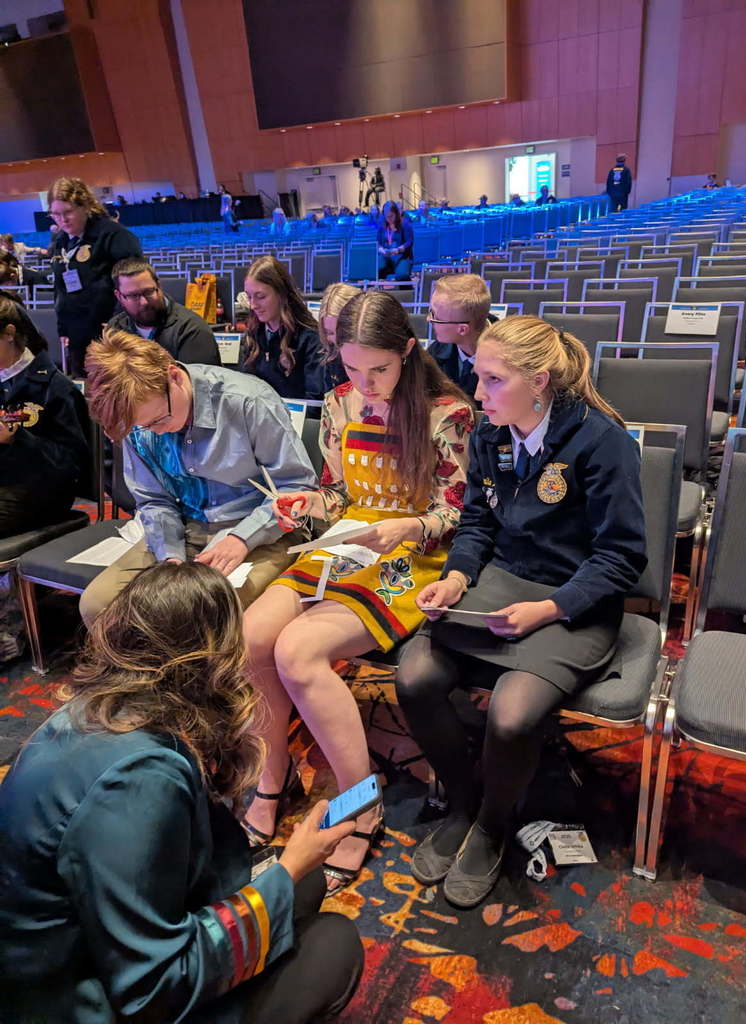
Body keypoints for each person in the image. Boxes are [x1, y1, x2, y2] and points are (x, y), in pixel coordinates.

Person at [0, 562, 363, 1022]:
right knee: (331, 944)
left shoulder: (100, 708)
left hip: (68, 950)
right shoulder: (141, 778)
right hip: (77, 998)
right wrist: (287, 870)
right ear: (213, 659)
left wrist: (290, 875)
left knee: (302, 882)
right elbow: (153, 988)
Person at [395, 315, 647, 908]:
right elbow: (479, 523)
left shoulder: (602, 442)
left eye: (492, 380)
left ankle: (491, 823)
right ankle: (461, 802)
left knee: (511, 715)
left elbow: (621, 559)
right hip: (502, 584)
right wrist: (458, 576)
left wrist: (550, 608)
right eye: (478, 378)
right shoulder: (491, 433)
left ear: (538, 382)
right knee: (415, 675)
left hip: (575, 599)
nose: (477, 394)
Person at [240, 290, 474, 893]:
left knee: (298, 650)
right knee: (252, 635)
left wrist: (412, 526)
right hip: (350, 540)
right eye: (351, 368)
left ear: (408, 352)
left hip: (413, 556)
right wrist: (309, 505)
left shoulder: (446, 413)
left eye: (380, 370)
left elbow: (461, 511)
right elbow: (340, 496)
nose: (365, 383)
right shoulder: (340, 403)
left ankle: (360, 799)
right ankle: (276, 774)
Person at [79, 328, 317, 626]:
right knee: (99, 606)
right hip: (183, 528)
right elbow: (154, 500)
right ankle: (160, 672)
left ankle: (200, 673)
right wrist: (170, 557)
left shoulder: (247, 401)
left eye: (159, 420)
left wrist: (242, 538)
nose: (155, 431)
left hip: (260, 530)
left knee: (202, 614)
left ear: (174, 377)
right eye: (143, 426)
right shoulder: (138, 419)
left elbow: (296, 488)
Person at [0, 292, 89, 538]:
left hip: (39, 494)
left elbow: (72, 467)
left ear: (9, 333)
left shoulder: (56, 388)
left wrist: (17, 439)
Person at [48, 177, 142, 377]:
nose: (62, 220)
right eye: (55, 214)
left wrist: (117, 321)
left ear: (85, 207)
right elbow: (60, 289)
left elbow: (133, 281)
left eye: (68, 212)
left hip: (110, 331)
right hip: (77, 333)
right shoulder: (60, 241)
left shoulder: (113, 235)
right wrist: (62, 328)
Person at [238, 255, 325, 401]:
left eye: (260, 296)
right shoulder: (253, 333)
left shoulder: (310, 338)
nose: (253, 305)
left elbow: (314, 401)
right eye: (249, 297)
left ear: (281, 294)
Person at [108, 257, 221, 365]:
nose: (144, 302)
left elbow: (198, 384)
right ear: (119, 296)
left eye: (148, 292)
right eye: (133, 296)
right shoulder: (114, 329)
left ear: (159, 286)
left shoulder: (192, 329)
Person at [427, 274, 494, 403]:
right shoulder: (435, 353)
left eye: (435, 316)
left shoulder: (508, 358)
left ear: (462, 329)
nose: (429, 319)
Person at [316, 282, 360, 391]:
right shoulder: (330, 357)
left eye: (342, 332)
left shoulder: (378, 356)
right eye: (329, 332)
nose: (336, 340)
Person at [377, 200, 414, 281]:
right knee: (377, 270)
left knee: (402, 275)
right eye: (387, 216)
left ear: (396, 214)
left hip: (402, 256)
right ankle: (380, 292)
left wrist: (398, 250)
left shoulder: (405, 224)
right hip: (386, 255)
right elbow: (378, 243)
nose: (389, 219)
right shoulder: (381, 225)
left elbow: (409, 242)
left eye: (391, 216)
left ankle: (406, 292)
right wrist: (382, 250)